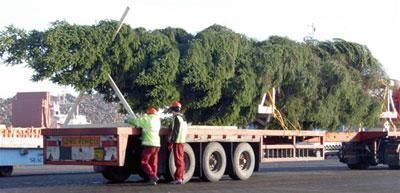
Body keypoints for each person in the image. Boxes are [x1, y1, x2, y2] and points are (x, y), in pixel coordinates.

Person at [127, 107, 161, 185]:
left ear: (148, 113)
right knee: (153, 163)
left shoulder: (147, 119)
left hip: (149, 144)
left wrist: (128, 120)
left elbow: (137, 122)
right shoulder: (157, 120)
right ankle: (154, 179)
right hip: (157, 144)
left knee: (144, 162)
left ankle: (152, 176)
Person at [168, 101, 188, 184]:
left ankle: (179, 178)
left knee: (178, 161)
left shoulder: (176, 118)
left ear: (173, 109)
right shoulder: (183, 118)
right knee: (181, 160)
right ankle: (180, 178)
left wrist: (171, 142)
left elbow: (175, 131)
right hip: (182, 141)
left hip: (177, 142)